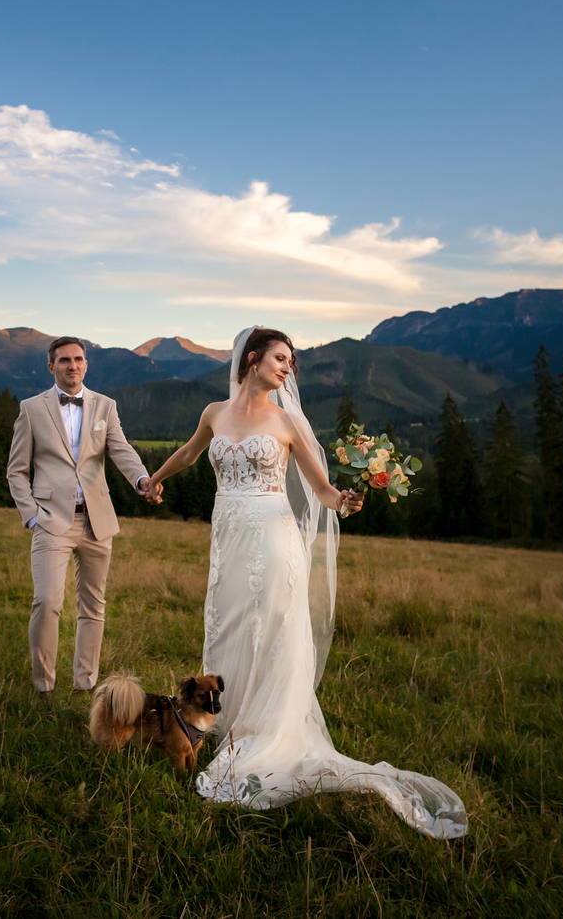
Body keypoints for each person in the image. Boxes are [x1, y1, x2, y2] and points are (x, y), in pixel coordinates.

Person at [144, 326, 468, 839]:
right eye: (280, 358)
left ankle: (266, 732)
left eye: (291, 362)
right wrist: (154, 478)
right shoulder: (214, 413)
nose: (287, 367)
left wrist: (346, 500)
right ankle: (220, 720)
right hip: (227, 536)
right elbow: (187, 454)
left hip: (274, 539)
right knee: (227, 623)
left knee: (269, 629)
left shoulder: (287, 420)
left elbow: (321, 489)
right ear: (252, 358)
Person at [7, 337, 158, 695]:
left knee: (93, 605)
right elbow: (16, 471)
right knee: (47, 601)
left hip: (96, 520)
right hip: (50, 522)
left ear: (86, 364)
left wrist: (142, 480)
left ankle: (84, 685)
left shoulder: (106, 406)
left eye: (77, 359)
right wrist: (32, 516)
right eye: (63, 360)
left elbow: (121, 449)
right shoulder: (31, 409)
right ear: (51, 367)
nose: (71, 365)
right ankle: (43, 686)